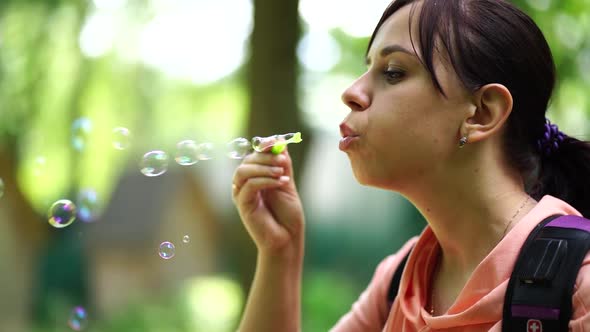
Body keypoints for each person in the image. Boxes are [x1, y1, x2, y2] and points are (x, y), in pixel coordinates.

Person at [231, 0, 590, 330]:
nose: (351, 92)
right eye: (367, 69)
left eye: (392, 72)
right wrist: (281, 251)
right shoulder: (398, 280)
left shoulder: (579, 287)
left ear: (482, 112)